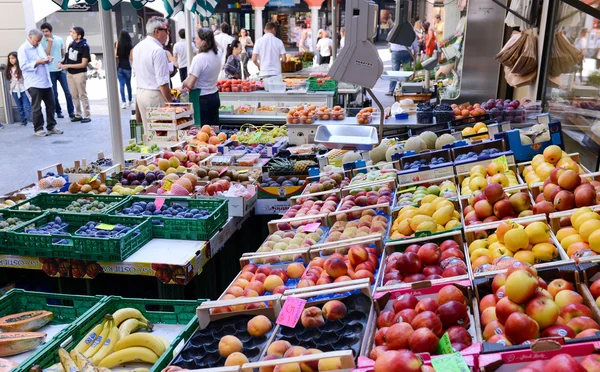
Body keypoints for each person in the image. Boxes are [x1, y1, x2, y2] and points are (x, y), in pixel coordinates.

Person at [17, 29, 63, 136]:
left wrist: (47, 59)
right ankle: (38, 128)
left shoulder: (39, 46)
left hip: (46, 81)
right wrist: (38, 62)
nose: (38, 43)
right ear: (30, 37)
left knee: (51, 104)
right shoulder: (23, 49)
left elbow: (43, 57)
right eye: (37, 40)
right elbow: (23, 66)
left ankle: (51, 126)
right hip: (34, 82)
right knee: (37, 107)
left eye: (39, 41)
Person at [132, 16, 172, 127]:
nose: (167, 33)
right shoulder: (157, 50)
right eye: (166, 30)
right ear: (157, 31)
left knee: (150, 132)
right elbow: (162, 82)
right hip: (154, 95)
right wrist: (170, 102)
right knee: (163, 133)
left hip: (141, 93)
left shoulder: (137, 47)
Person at [183, 28, 221, 126]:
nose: (195, 41)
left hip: (201, 98)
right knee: (213, 130)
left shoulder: (199, 59)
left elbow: (190, 84)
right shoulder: (217, 55)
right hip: (214, 95)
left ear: (204, 42)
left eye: (197, 39)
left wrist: (184, 83)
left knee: (202, 131)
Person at [40, 22, 74, 119]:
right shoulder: (41, 41)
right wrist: (50, 43)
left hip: (60, 69)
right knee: (54, 93)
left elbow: (64, 54)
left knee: (67, 91)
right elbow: (45, 54)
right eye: (43, 31)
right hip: (50, 71)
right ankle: (58, 111)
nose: (45, 33)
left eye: (46, 31)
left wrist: (62, 62)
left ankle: (71, 111)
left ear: (51, 31)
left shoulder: (59, 39)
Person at [58, 26, 91, 123]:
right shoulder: (71, 44)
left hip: (80, 74)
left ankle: (87, 115)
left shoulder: (85, 46)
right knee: (74, 95)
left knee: (82, 94)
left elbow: (83, 64)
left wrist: (67, 66)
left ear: (79, 35)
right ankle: (78, 114)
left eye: (73, 33)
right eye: (71, 32)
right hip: (70, 73)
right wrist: (61, 63)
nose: (71, 34)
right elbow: (67, 57)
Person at [6, 52, 32, 126]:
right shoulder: (9, 69)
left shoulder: (22, 67)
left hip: (23, 89)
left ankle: (33, 120)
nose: (11, 60)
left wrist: (19, 78)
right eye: (10, 58)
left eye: (13, 58)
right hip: (14, 90)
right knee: (19, 106)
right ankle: (23, 120)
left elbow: (26, 78)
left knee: (27, 106)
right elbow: (9, 79)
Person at [115, 29, 134, 109]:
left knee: (121, 85)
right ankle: (130, 100)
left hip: (120, 66)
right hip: (127, 67)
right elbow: (131, 58)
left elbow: (115, 55)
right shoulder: (129, 45)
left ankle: (123, 102)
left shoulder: (117, 43)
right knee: (128, 84)